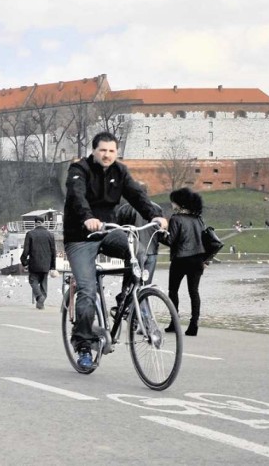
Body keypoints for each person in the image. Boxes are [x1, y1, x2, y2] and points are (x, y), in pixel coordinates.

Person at [63, 131, 167, 370]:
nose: (107, 155)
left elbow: (137, 196)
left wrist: (156, 216)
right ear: (94, 150)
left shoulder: (120, 171)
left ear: (116, 152)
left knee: (138, 253)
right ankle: (83, 346)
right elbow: (77, 197)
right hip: (81, 236)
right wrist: (88, 218)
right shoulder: (79, 170)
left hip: (109, 232)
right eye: (102, 150)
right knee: (87, 291)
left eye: (111, 151)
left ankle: (124, 300)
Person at [161, 187, 206, 337]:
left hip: (180, 259)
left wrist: (159, 234)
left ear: (179, 203)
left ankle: (174, 321)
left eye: (173, 202)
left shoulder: (176, 218)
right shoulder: (198, 219)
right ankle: (194, 324)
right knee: (194, 291)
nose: (172, 205)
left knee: (173, 291)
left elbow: (170, 240)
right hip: (198, 258)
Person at [20, 216, 56, 310]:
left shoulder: (30, 234)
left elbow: (26, 250)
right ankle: (41, 301)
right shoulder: (50, 235)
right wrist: (53, 266)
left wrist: (23, 261)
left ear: (35, 223)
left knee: (33, 281)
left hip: (34, 263)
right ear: (43, 223)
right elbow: (53, 252)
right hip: (46, 264)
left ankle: (40, 297)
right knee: (44, 283)